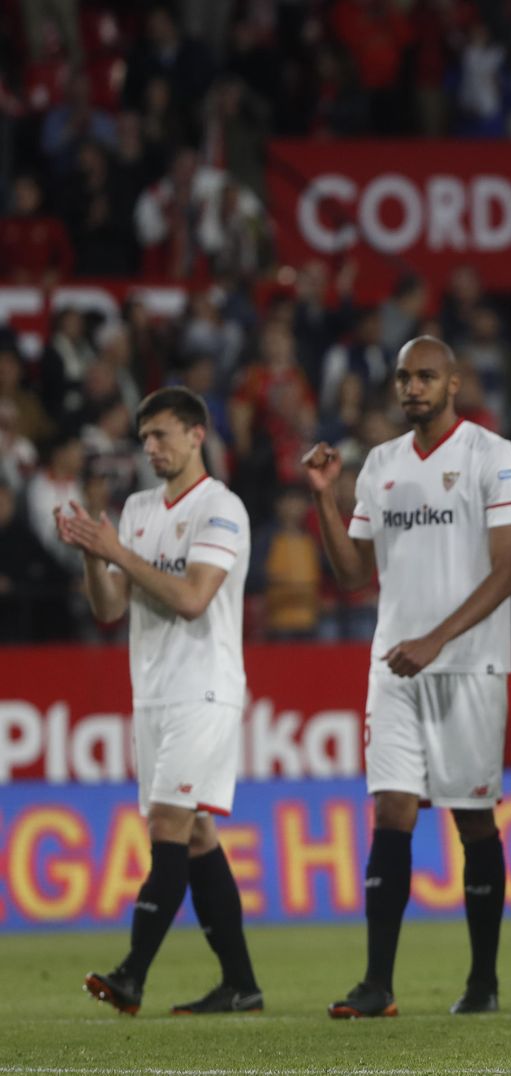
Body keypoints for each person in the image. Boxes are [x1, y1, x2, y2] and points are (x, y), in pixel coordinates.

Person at [303, 336, 511, 1018]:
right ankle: (378, 984)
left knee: (473, 819)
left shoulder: (492, 455)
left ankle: (483, 981)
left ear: (453, 382)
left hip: (468, 664)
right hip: (395, 665)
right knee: (391, 809)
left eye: (426, 376)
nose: (412, 388)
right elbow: (351, 573)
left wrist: (437, 638)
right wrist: (323, 500)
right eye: (404, 377)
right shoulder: (379, 465)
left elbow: (509, 569)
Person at [65, 387, 260, 1016]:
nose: (151, 447)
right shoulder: (140, 508)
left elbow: (192, 598)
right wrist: (97, 559)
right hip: (151, 692)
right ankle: (241, 985)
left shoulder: (221, 509)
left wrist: (118, 552)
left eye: (163, 435)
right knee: (197, 836)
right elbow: (110, 608)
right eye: (145, 437)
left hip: (205, 688)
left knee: (168, 827)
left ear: (197, 435)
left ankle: (131, 976)